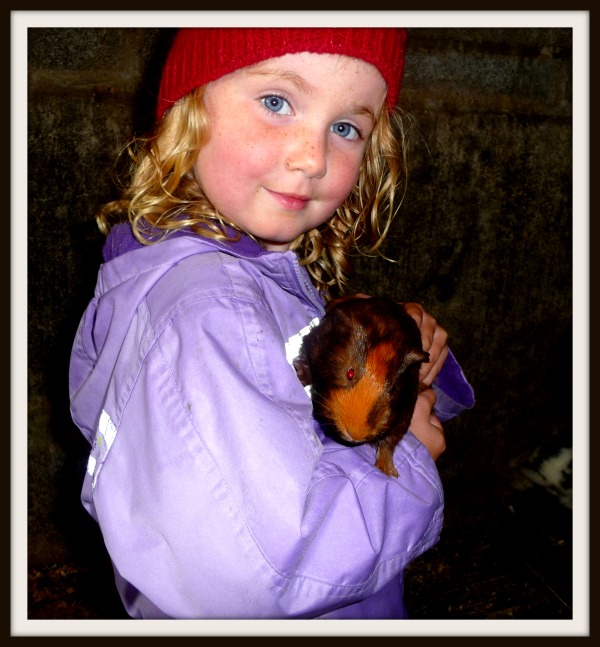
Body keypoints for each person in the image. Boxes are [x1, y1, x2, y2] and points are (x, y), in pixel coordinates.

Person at [69, 27, 475, 619]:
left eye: (345, 128)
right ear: (190, 109)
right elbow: (279, 568)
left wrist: (388, 341)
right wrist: (403, 449)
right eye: (277, 102)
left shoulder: (218, 269)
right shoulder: (209, 308)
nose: (312, 157)